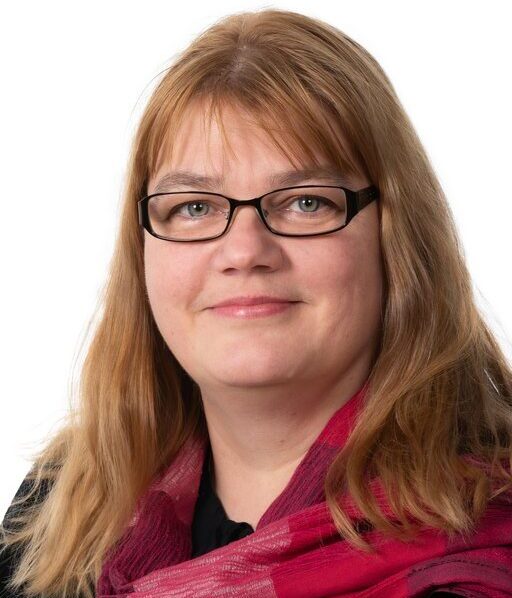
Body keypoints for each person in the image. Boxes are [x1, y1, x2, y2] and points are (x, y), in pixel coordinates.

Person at [1, 7, 512, 598]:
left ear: (395, 237)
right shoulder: (62, 506)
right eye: (194, 207)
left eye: (305, 202)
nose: (244, 251)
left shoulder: (486, 538)